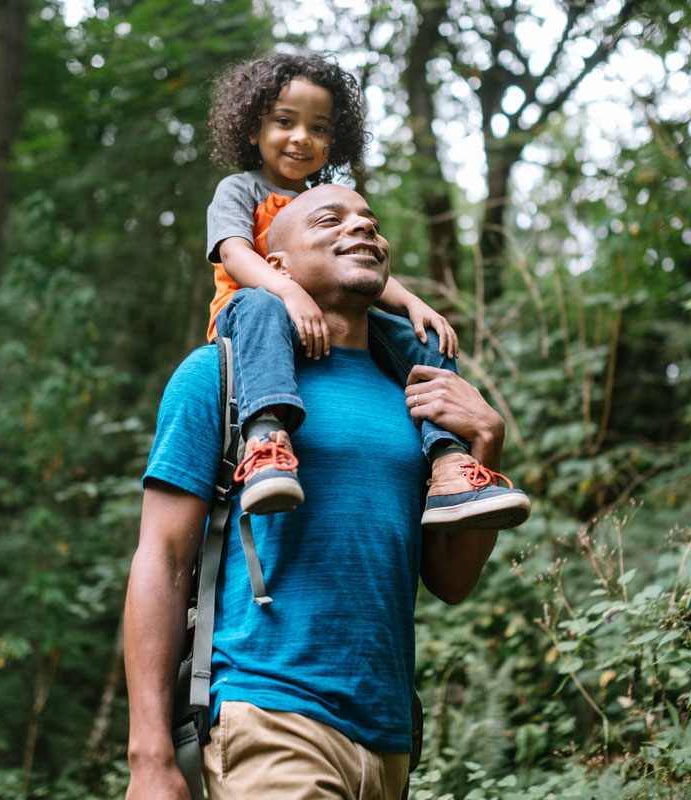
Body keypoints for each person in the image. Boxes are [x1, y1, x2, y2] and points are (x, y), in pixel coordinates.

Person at [125, 185, 519, 800]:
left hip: (389, 738)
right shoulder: (217, 375)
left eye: (371, 221)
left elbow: (451, 582)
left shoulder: (420, 395)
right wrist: (149, 755)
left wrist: (486, 444)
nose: (362, 228)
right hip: (266, 710)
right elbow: (163, 559)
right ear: (275, 265)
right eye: (331, 219)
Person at [204, 51, 530, 530]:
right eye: (284, 122)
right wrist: (288, 291)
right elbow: (234, 254)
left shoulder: (327, 197)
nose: (302, 138)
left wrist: (414, 304)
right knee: (259, 303)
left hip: (328, 321)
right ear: (252, 129)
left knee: (422, 338)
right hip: (254, 321)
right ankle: (267, 441)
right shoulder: (240, 189)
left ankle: (448, 464)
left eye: (319, 128)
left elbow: (360, 267)